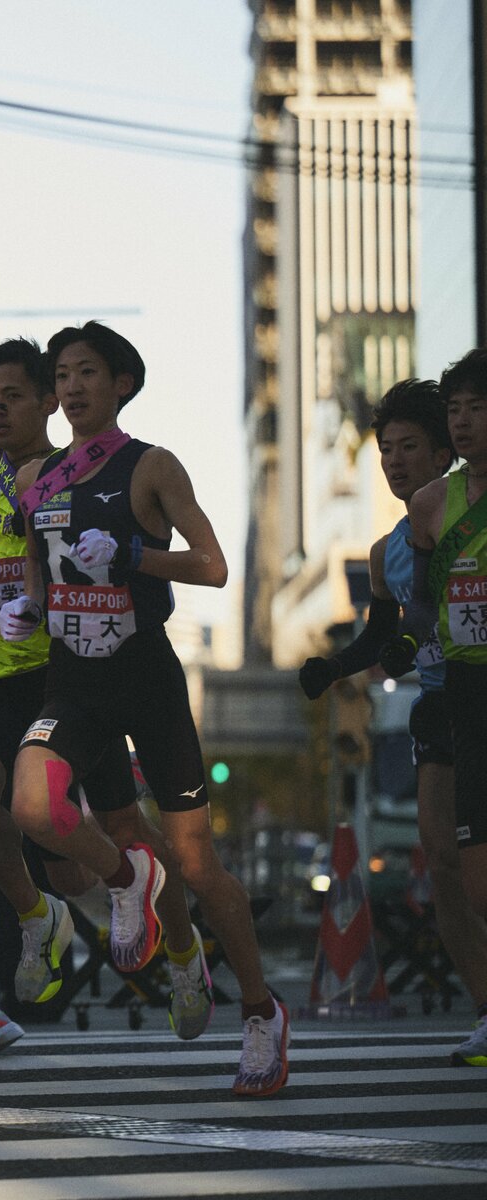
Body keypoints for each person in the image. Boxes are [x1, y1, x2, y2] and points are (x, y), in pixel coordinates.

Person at [3, 321, 287, 1097]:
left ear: (121, 383)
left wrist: (134, 556)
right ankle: (134, 887)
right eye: (63, 374)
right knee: (34, 804)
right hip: (74, 680)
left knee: (194, 862)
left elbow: (215, 566)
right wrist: (29, 608)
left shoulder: (150, 465)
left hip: (148, 680)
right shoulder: (40, 480)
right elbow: (38, 565)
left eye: (88, 372)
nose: (72, 387)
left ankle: (258, 1010)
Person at [383, 352, 487, 1067]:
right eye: (457, 408)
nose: (392, 462)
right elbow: (418, 611)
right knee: (449, 861)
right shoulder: (422, 517)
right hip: (449, 698)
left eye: (473, 408)